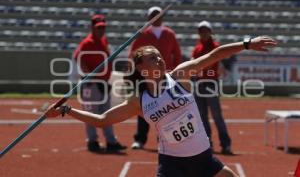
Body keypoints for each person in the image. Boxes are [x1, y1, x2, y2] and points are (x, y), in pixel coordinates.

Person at [47, 36, 276, 177]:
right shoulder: (139, 101)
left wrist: (246, 44)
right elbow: (102, 120)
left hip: (203, 159)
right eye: (153, 58)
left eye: (159, 56)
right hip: (172, 165)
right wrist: (67, 110)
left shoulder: (180, 75)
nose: (160, 59)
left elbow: (215, 54)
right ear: (140, 68)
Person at [128, 6, 182, 149]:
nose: (156, 17)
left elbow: (177, 54)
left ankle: (165, 137)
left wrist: (174, 72)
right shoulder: (143, 34)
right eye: (153, 14)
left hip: (166, 77)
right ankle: (140, 139)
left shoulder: (169, 34)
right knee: (144, 107)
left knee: (168, 107)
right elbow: (133, 55)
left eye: (158, 14)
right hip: (146, 78)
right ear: (148, 17)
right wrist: (135, 74)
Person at [73, 14, 126, 153]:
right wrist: (92, 76)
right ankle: (92, 141)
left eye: (103, 27)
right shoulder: (87, 43)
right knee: (91, 113)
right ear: (92, 27)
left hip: (103, 83)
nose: (101, 30)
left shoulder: (103, 41)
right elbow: (79, 59)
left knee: (107, 113)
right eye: (98, 28)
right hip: (92, 84)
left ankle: (111, 141)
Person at [192, 20, 232, 154]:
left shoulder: (216, 46)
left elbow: (210, 63)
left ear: (210, 32)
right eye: (201, 31)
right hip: (199, 83)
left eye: (206, 30)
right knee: (202, 116)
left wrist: (199, 67)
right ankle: (207, 144)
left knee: (216, 115)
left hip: (210, 84)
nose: (203, 33)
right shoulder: (197, 48)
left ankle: (226, 144)